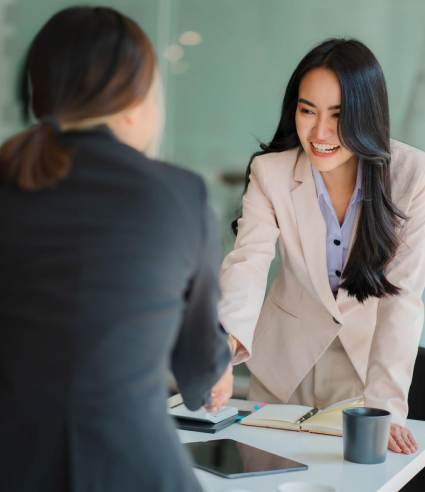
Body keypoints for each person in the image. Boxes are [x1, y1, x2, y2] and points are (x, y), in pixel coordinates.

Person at [0, 7, 232, 492]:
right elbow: (196, 374)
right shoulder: (178, 196)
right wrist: (218, 364)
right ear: (135, 101)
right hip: (137, 471)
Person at [217, 38, 425, 455]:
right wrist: (222, 347)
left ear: (367, 114)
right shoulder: (269, 171)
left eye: (339, 115)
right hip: (283, 364)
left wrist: (385, 409)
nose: (320, 132)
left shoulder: (411, 174)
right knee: (266, 476)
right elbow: (249, 261)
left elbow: (402, 297)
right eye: (307, 110)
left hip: (364, 368)